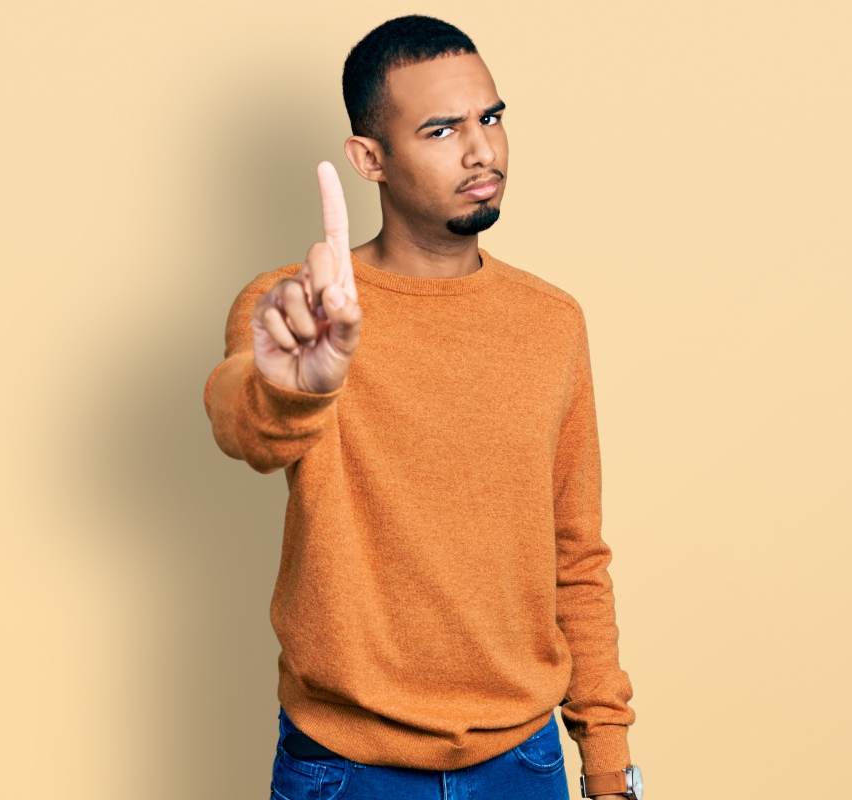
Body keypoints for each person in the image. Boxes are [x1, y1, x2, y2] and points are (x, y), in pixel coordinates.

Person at [204, 15, 640, 800]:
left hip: (525, 764)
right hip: (346, 767)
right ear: (370, 158)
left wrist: (610, 764)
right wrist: (297, 384)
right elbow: (245, 424)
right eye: (441, 130)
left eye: (491, 118)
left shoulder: (552, 322)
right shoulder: (297, 308)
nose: (482, 151)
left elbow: (576, 555)